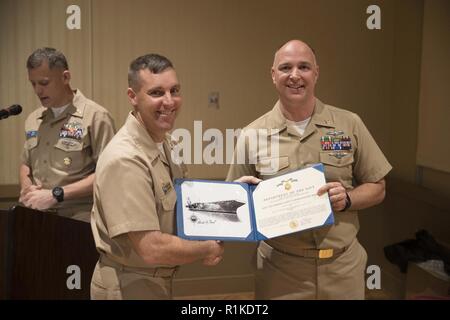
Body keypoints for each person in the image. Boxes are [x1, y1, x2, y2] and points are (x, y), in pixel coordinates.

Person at [226, 40, 392, 299]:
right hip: (280, 270)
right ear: (273, 75)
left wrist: (347, 198)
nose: (295, 75)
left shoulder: (349, 124)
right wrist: (244, 198)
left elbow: (378, 187)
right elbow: (232, 207)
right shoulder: (251, 135)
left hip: (343, 268)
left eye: (303, 67)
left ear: (316, 73)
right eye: (285, 67)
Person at [90, 54, 225, 300]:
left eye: (174, 90)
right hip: (129, 285)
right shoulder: (126, 158)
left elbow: (184, 204)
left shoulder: (165, 143)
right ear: (133, 97)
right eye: (156, 93)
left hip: (154, 281)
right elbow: (150, 248)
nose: (169, 101)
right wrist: (207, 248)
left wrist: (236, 195)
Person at [19, 47, 116, 222]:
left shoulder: (95, 116)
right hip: (38, 216)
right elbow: (26, 164)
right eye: (33, 83)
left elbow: (109, 175)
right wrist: (27, 189)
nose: (38, 91)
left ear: (65, 77)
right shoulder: (33, 119)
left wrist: (56, 195)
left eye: (44, 83)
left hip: (80, 218)